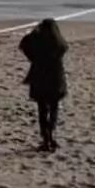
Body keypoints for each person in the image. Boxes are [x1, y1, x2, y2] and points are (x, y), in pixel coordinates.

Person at [20, 18, 69, 153]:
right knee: (54, 109)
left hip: (40, 79)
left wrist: (34, 32)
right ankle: (51, 135)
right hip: (55, 80)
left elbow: (24, 43)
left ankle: (46, 138)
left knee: (42, 110)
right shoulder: (59, 45)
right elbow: (64, 47)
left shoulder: (38, 45)